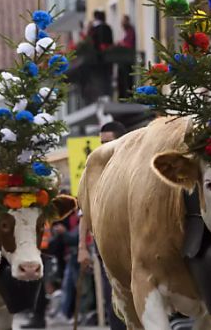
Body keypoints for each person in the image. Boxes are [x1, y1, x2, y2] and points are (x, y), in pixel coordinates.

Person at [77, 121, 127, 330]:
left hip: (135, 243)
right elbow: (84, 213)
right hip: (106, 245)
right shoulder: (94, 173)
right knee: (113, 296)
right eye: (101, 143)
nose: (103, 148)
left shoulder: (132, 169)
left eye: (109, 142)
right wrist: (82, 247)